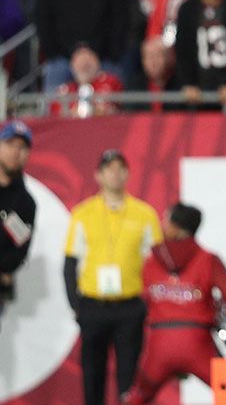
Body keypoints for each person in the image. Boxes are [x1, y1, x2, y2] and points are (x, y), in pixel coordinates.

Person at [64, 149, 163, 405]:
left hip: (129, 305)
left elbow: (156, 263)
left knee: (129, 376)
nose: (115, 174)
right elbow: (70, 261)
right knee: (92, 374)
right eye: (109, 168)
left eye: (120, 168)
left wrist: (150, 303)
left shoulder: (145, 213)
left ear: (128, 174)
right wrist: (76, 306)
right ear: (98, 175)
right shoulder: (82, 213)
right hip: (93, 305)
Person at [123, 204, 226, 405]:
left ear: (175, 227)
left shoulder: (151, 260)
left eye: (166, 221)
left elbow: (141, 297)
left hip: (159, 343)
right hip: (197, 343)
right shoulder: (207, 259)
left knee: (137, 398)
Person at [0, 120, 34, 331]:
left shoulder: (25, 203)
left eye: (22, 147)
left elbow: (19, 251)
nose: (16, 151)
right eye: (11, 144)